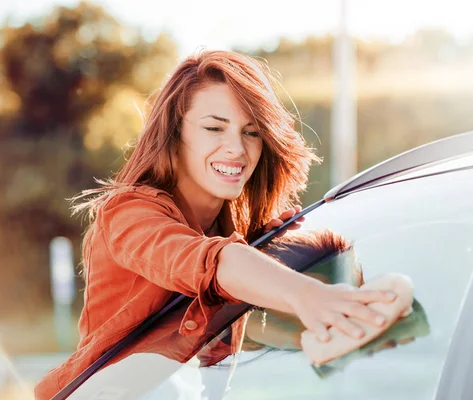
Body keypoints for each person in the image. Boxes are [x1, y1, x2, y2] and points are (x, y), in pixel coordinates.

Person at [34, 49, 411, 399]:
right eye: (214, 128)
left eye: (251, 132)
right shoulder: (129, 214)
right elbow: (209, 262)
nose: (237, 148)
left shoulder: (247, 237)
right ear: (174, 134)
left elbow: (266, 340)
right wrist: (304, 294)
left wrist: (355, 306)